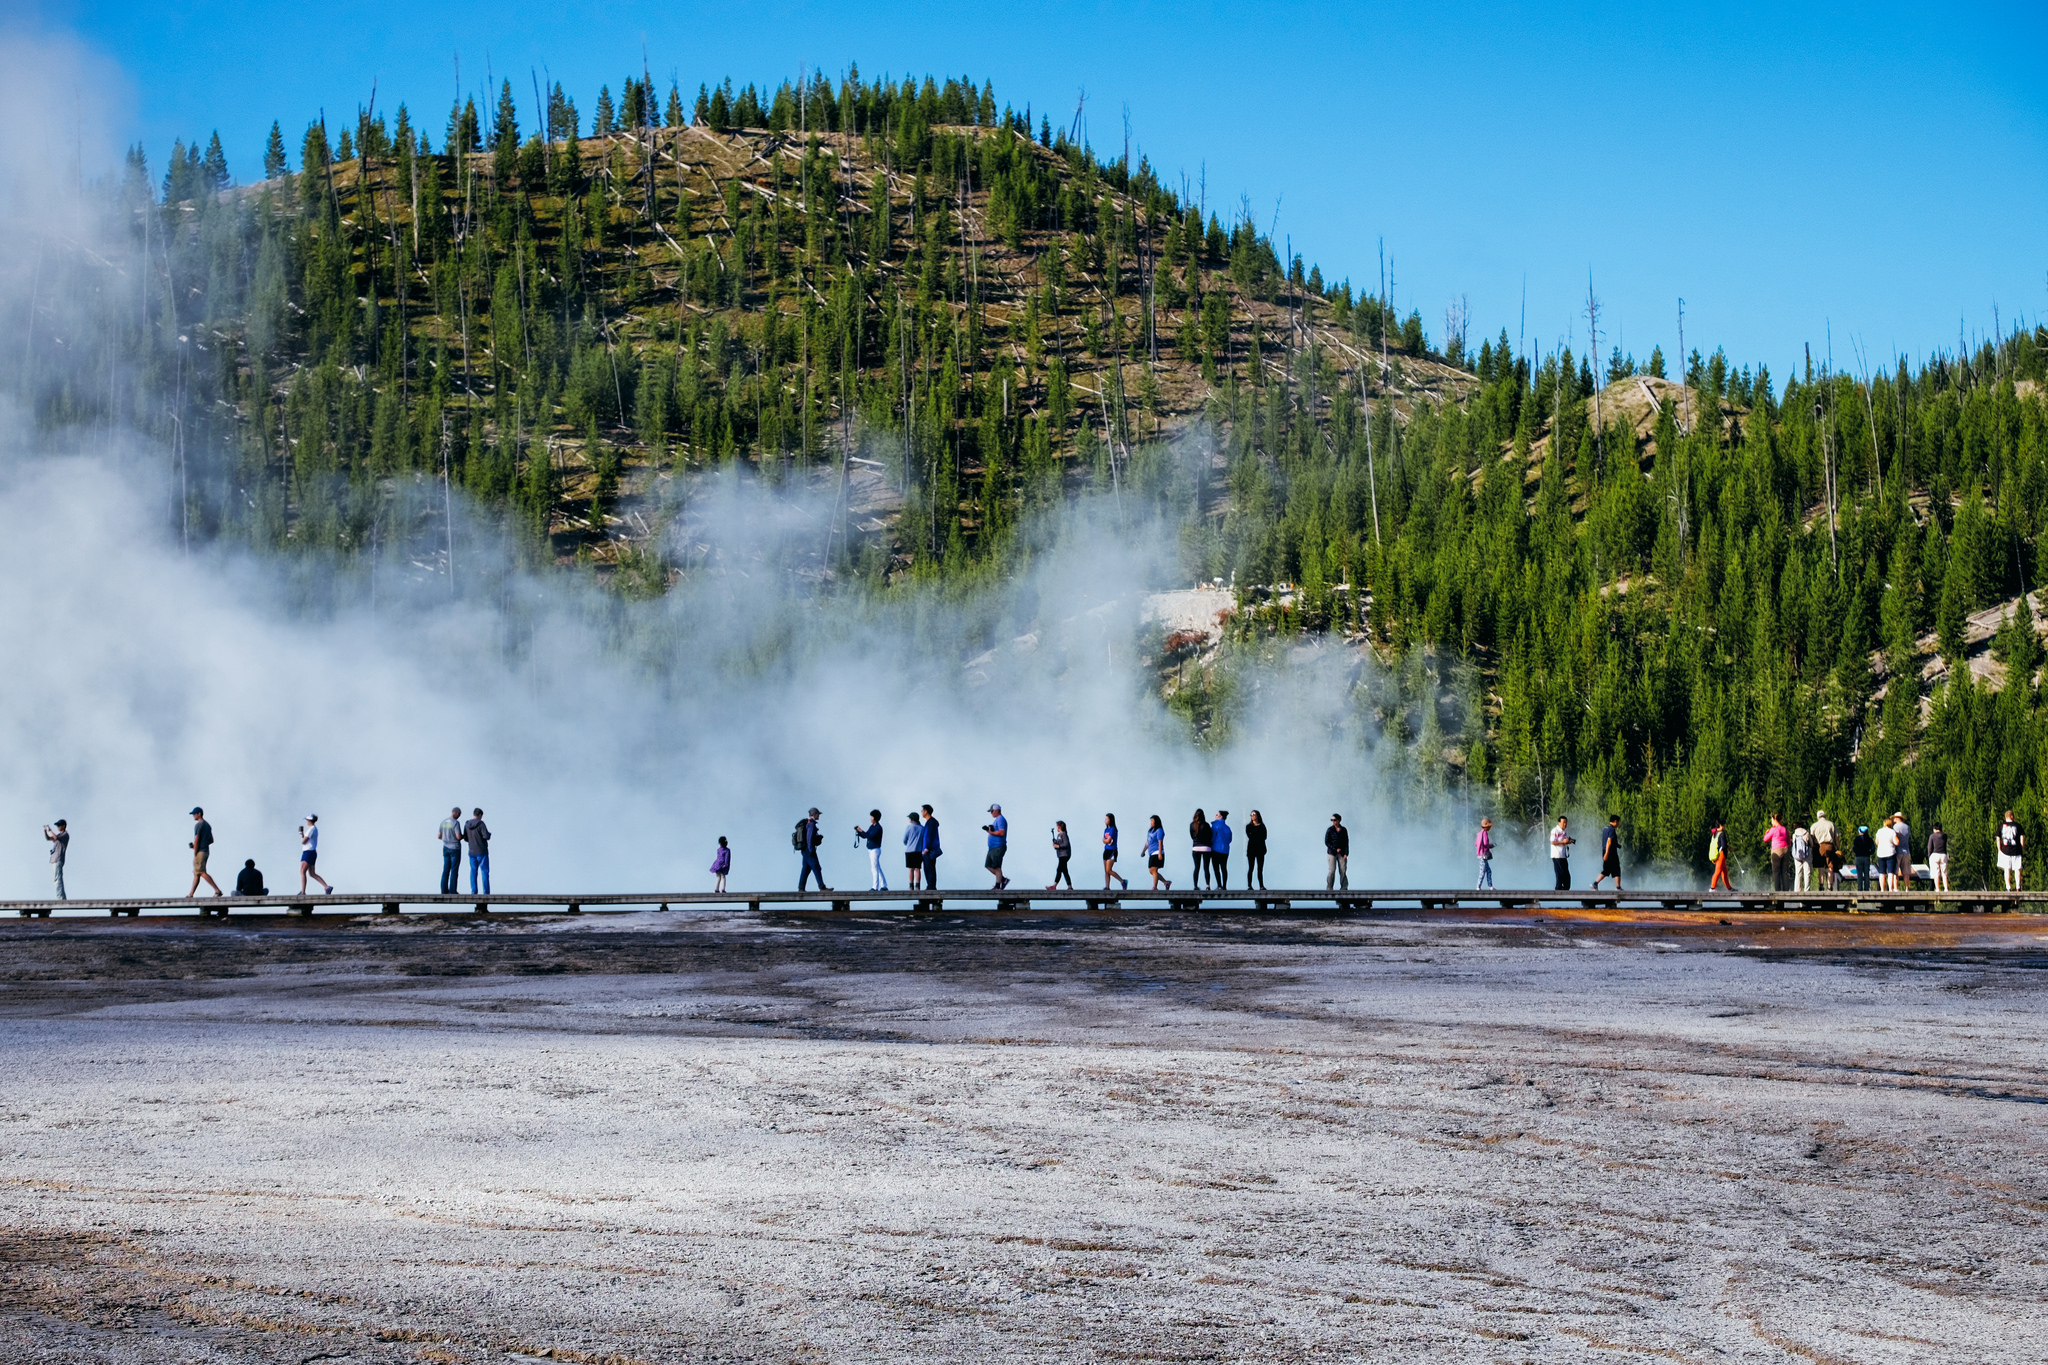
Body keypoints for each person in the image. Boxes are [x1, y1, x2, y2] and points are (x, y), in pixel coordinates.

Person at [187, 807, 223, 897]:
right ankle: (191, 894)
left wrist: (195, 851)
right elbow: (211, 840)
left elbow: (197, 839)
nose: (193, 816)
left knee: (201, 872)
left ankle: (217, 890)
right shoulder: (207, 825)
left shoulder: (199, 825)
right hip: (206, 851)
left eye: (194, 814)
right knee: (197, 873)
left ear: (199, 814)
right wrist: (200, 844)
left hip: (200, 852)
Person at [796, 807, 828, 892]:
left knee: (806, 868)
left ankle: (801, 888)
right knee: (817, 867)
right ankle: (822, 887)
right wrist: (811, 850)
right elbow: (809, 837)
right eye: (818, 814)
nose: (819, 816)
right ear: (815, 814)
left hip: (805, 850)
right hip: (809, 850)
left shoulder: (808, 823)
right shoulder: (811, 824)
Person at [298, 814, 333, 894]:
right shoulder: (314, 829)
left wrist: (302, 836)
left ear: (309, 821)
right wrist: (302, 834)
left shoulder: (311, 829)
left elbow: (304, 842)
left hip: (308, 852)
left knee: (302, 871)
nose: (306, 821)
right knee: (312, 873)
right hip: (312, 852)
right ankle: (326, 887)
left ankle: (303, 892)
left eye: (307, 820)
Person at [856, 810, 888, 891]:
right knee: (877, 867)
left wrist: (861, 831)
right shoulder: (872, 826)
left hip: (875, 850)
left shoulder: (878, 828)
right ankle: (884, 885)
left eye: (872, 817)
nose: (870, 818)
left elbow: (870, 836)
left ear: (875, 818)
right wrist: (859, 832)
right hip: (871, 849)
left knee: (874, 868)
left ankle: (875, 887)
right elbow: (866, 835)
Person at [1591, 815, 1623, 891]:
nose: (1618, 824)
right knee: (1609, 870)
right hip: (1610, 852)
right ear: (1615, 821)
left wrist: (1617, 845)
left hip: (1607, 851)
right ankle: (1595, 884)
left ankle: (1618, 887)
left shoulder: (1606, 829)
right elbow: (1609, 842)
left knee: (1613, 869)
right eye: (1618, 822)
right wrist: (1607, 854)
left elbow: (1607, 840)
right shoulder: (1612, 829)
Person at [463, 808, 491, 894]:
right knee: (484, 872)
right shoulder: (481, 824)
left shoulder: (467, 824)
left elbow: (465, 838)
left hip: (472, 852)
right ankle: (486, 892)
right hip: (482, 851)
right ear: (480, 815)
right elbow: (486, 836)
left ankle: (474, 891)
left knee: (473, 871)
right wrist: (489, 834)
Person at [983, 803, 1010, 890]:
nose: (991, 813)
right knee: (988, 865)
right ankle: (1003, 879)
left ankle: (998, 886)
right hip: (992, 847)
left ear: (996, 810)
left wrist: (991, 832)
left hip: (998, 846)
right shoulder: (997, 820)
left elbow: (1002, 832)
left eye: (992, 811)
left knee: (996, 866)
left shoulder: (1001, 819)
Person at [1996, 810, 2025, 891]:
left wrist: (1999, 849)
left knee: (2007, 870)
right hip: (2016, 851)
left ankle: (2008, 888)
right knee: (2017, 869)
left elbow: (1998, 839)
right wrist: (2022, 849)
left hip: (2005, 851)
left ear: (2006, 817)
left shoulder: (2001, 826)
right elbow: (2022, 838)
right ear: (2012, 816)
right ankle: (2018, 887)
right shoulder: (2018, 826)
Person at [1810, 809, 1838, 890]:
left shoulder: (1814, 825)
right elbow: (1836, 837)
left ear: (1818, 817)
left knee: (1821, 867)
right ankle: (1830, 886)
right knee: (1830, 866)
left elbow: (1811, 838)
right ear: (1825, 815)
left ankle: (1821, 885)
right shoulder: (1831, 824)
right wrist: (1838, 848)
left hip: (1819, 847)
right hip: (1830, 846)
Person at [438, 807, 465, 895]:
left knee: (445, 870)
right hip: (455, 849)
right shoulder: (456, 823)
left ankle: (444, 890)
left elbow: (439, 836)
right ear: (456, 812)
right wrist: (463, 836)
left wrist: (446, 838)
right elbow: (458, 836)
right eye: (459, 814)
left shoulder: (443, 822)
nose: (459, 816)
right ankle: (452, 891)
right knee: (454, 870)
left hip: (445, 848)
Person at [1144, 815, 1172, 890]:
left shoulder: (1159, 830)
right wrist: (1143, 851)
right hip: (1151, 852)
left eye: (1152, 821)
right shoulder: (1150, 831)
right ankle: (1166, 882)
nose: (1151, 823)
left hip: (1157, 852)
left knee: (1154, 870)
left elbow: (1160, 842)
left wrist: (1160, 853)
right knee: (1151, 871)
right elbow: (1148, 842)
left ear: (1156, 822)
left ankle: (1155, 887)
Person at [1101, 814, 1128, 890]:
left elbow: (1108, 840)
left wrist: (1105, 841)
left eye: (1106, 819)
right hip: (1106, 850)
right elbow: (1104, 840)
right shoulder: (1106, 830)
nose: (1105, 820)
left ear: (1110, 820)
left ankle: (1122, 881)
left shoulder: (1113, 829)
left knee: (1109, 870)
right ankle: (1107, 887)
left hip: (1112, 850)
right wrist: (1105, 841)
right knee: (1106, 871)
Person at [43, 820, 68, 901]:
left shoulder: (65, 835)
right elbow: (48, 838)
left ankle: (61, 898)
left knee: (57, 879)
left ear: (63, 826)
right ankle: (60, 897)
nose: (58, 827)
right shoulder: (59, 836)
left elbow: (55, 837)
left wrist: (49, 830)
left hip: (58, 859)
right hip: (54, 859)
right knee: (56, 878)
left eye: (59, 825)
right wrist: (45, 831)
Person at [1187, 810, 1212, 890]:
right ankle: (1207, 885)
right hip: (1206, 848)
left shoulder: (1192, 825)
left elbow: (1192, 836)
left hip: (1196, 847)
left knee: (1196, 867)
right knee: (1206, 868)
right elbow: (1210, 836)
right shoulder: (1206, 825)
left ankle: (1195, 886)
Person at [1764, 815, 1789, 891]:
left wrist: (1766, 832)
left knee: (1776, 872)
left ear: (1775, 820)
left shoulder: (1773, 829)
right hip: (1785, 849)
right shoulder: (1784, 829)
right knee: (1784, 871)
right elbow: (1789, 840)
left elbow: (1765, 839)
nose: (1771, 822)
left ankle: (1777, 891)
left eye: (1772, 820)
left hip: (1776, 850)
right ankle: (1786, 891)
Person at [1244, 812, 1269, 890]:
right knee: (1251, 867)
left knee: (1260, 868)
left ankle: (1261, 885)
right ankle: (1249, 885)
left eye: (1254, 814)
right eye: (1251, 815)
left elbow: (1264, 836)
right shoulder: (1248, 826)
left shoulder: (1262, 826)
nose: (1252, 816)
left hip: (1260, 849)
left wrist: (1256, 836)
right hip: (1251, 849)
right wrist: (1257, 836)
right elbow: (1250, 836)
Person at [1325, 814, 1350, 891]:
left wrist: (1346, 853)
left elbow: (1346, 842)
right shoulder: (1330, 830)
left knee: (1343, 870)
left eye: (1334, 820)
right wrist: (1335, 849)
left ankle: (1344, 887)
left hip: (1342, 853)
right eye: (1332, 820)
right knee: (1332, 870)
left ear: (1339, 820)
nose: (1333, 821)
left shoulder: (1344, 830)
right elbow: (1327, 842)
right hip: (1332, 853)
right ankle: (1329, 887)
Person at [1873, 817, 1898, 892]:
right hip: (1890, 853)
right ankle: (1890, 889)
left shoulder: (1879, 831)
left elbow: (1876, 842)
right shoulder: (1892, 832)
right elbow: (1896, 842)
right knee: (1890, 872)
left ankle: (1882, 889)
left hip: (1881, 853)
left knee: (1882, 873)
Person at [903, 811, 926, 890]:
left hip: (910, 850)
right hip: (918, 850)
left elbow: (905, 839)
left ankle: (911, 885)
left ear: (912, 819)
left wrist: (907, 843)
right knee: (917, 869)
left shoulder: (909, 827)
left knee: (911, 869)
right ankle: (918, 885)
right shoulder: (922, 828)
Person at [1210, 811, 1233, 889]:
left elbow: (1212, 837)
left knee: (1216, 868)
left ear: (1220, 817)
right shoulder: (1227, 828)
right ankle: (1225, 886)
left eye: (1217, 815)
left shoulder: (1215, 825)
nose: (1215, 816)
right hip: (1225, 850)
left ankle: (1219, 885)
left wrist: (1211, 844)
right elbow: (1230, 839)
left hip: (1216, 849)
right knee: (1224, 867)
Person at [1550, 816, 1575, 890]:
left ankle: (1566, 888)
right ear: (1559, 823)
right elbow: (1553, 842)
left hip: (1563, 856)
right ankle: (1558, 889)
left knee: (1566, 874)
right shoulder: (1555, 831)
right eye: (1563, 822)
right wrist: (1563, 842)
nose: (1565, 824)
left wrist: (1569, 842)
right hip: (1557, 855)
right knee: (1560, 874)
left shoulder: (1565, 832)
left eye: (1566, 822)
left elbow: (1566, 841)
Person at [1047, 820, 1073, 890]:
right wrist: (1055, 843)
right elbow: (1059, 844)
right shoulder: (1059, 835)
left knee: (1059, 869)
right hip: (1061, 855)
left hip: (1064, 855)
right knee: (1064, 870)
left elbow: (1066, 844)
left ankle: (1054, 885)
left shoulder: (1063, 834)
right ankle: (1069, 885)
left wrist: (1058, 846)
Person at [921, 805, 942, 888]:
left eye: (922, 810)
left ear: (926, 811)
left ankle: (931, 886)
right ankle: (930, 885)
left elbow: (929, 836)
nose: (922, 812)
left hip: (929, 850)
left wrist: (926, 848)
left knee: (929, 868)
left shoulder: (931, 822)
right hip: (929, 849)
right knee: (929, 868)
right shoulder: (930, 822)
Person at [1892, 812, 1914, 888]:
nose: (1893, 819)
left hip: (1898, 851)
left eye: (1894, 817)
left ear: (1897, 818)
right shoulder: (1907, 827)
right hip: (1906, 851)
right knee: (1906, 872)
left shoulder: (1895, 827)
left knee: (1896, 872)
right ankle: (1907, 888)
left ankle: (1895, 888)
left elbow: (1895, 838)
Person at [1705, 823, 1731, 890]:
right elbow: (1723, 846)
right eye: (1724, 825)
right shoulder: (1722, 834)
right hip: (1721, 855)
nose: (1725, 826)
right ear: (1721, 825)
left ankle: (1729, 888)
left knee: (1724, 872)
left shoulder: (1715, 834)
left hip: (1716, 855)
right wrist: (1729, 848)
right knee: (1718, 871)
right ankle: (1712, 888)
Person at [1850, 824, 1875, 891]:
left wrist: (1857, 853)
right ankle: (1867, 888)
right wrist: (1869, 853)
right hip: (1866, 857)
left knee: (1859, 874)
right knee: (1867, 873)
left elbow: (1854, 848)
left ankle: (1859, 888)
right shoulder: (1870, 839)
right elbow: (1873, 849)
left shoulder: (1856, 839)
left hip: (1858, 857)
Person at [1791, 823, 1814, 892]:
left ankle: (1797, 890)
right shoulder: (1806, 833)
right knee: (1807, 872)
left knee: (1798, 872)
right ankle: (1807, 889)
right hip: (1807, 855)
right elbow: (1811, 844)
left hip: (1797, 855)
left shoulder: (1794, 835)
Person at [1928, 823, 1949, 892]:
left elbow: (1930, 847)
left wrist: (1929, 855)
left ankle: (1938, 889)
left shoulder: (1932, 836)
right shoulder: (1945, 836)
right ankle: (1946, 888)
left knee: (1936, 873)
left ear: (1934, 829)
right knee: (1944, 873)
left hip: (1935, 854)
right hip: (1943, 854)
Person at [1474, 817, 1494, 890]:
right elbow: (1485, 843)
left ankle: (1490, 886)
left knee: (1488, 871)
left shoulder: (1479, 834)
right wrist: (1490, 846)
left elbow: (1476, 844)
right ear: (1487, 827)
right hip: (1483, 855)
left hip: (1479, 855)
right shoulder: (1485, 833)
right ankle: (1478, 887)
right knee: (1483, 871)